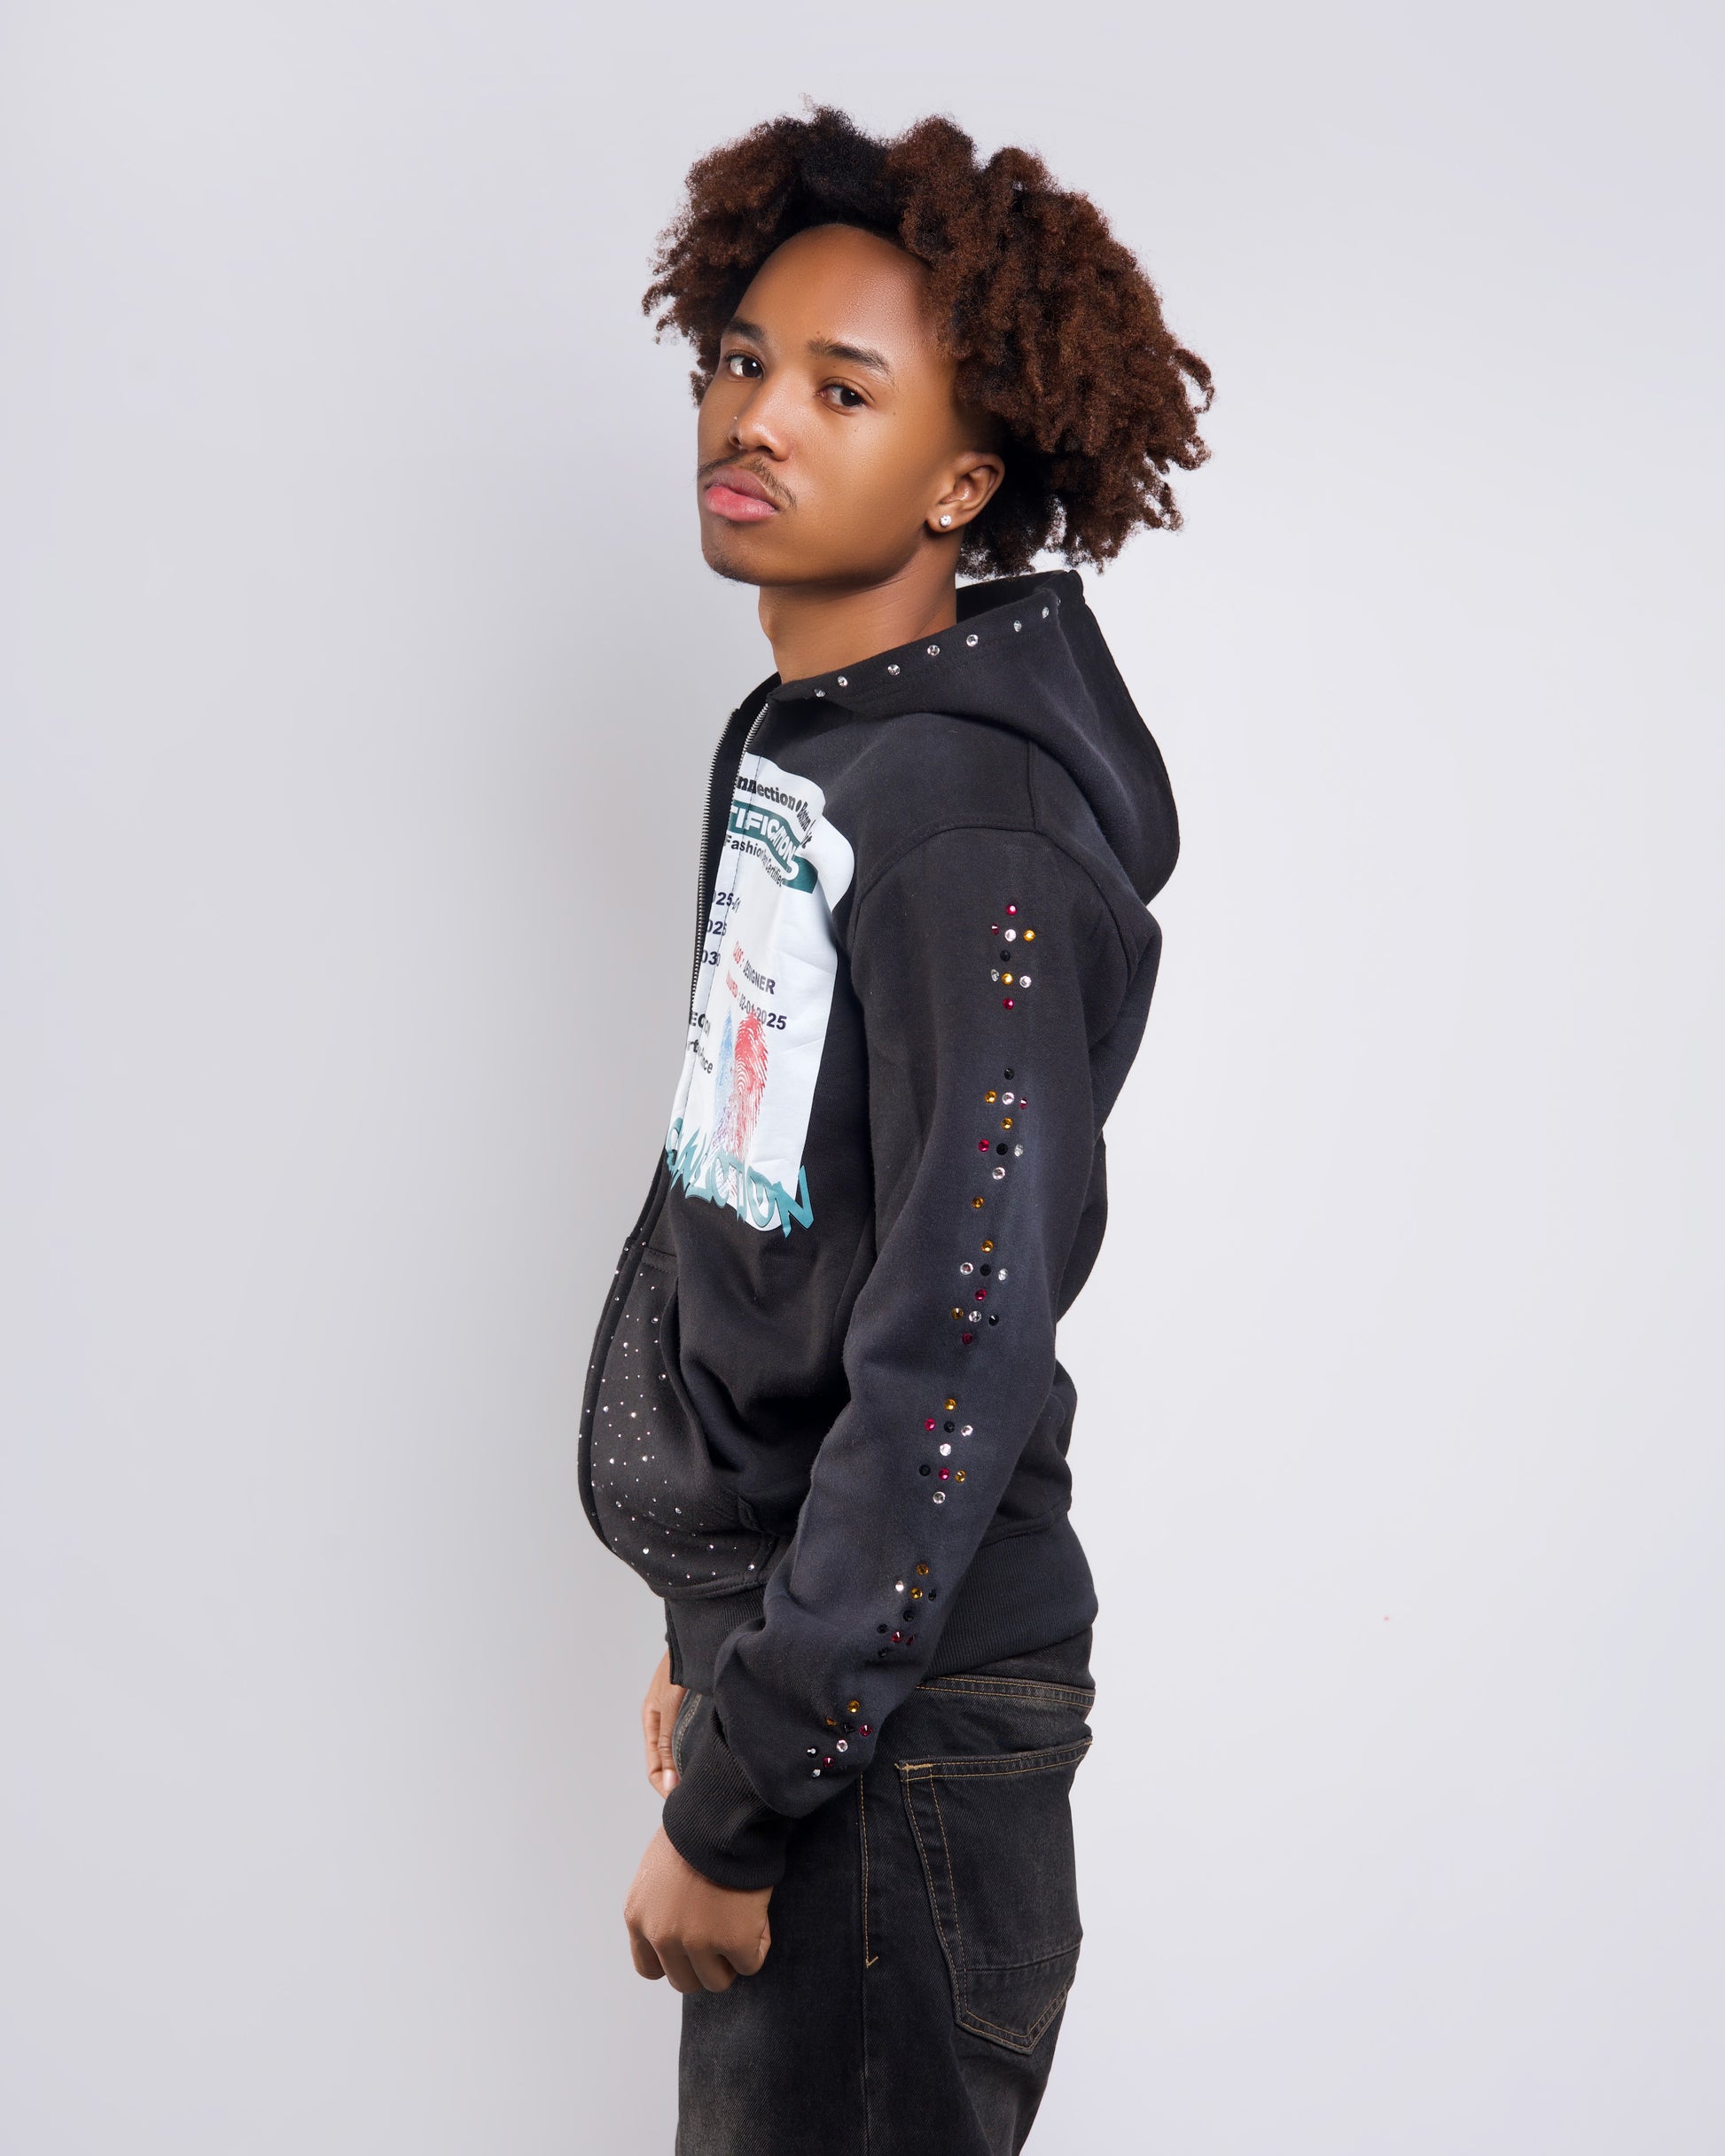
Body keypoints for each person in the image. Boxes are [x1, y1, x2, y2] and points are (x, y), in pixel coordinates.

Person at [577, 107, 1211, 2155]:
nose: (756, 416)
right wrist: (717, 1619)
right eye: (740, 360)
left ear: (962, 479)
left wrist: (761, 1764)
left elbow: (954, 1341)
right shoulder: (819, 755)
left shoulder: (965, 835)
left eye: (841, 389)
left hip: (897, 1733)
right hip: (823, 1675)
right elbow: (768, 1223)